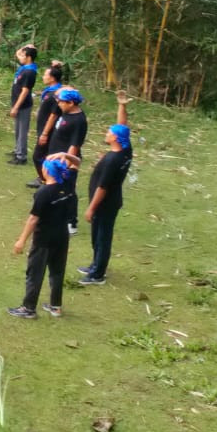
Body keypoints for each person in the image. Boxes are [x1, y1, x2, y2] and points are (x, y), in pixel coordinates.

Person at [10, 153, 77, 319]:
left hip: (43, 240)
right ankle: (56, 306)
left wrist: (21, 240)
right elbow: (77, 162)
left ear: (47, 171)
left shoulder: (43, 193)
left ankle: (28, 308)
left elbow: (33, 219)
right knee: (57, 272)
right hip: (62, 236)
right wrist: (66, 155)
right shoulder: (68, 184)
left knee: (35, 274)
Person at [80, 91, 133, 286]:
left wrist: (91, 208)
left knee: (102, 237)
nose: (107, 133)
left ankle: (97, 274)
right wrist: (122, 106)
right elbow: (123, 127)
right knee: (99, 235)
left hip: (104, 203)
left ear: (115, 139)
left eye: (109, 133)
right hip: (112, 200)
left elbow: (102, 187)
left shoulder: (112, 160)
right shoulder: (125, 151)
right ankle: (96, 265)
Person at [48, 86, 89, 233]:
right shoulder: (66, 111)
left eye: (62, 101)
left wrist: (65, 165)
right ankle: (57, 216)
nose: (59, 103)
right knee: (56, 189)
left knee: (68, 190)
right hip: (54, 157)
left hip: (66, 162)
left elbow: (74, 145)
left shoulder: (79, 121)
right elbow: (57, 93)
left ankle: (71, 223)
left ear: (71, 103)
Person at [28, 64, 65, 188]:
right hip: (43, 127)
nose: (43, 77)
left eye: (45, 75)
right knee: (45, 155)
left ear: (52, 78)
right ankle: (46, 178)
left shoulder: (56, 94)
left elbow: (54, 115)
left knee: (38, 156)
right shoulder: (49, 91)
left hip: (49, 130)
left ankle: (46, 179)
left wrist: (44, 133)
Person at [7, 45, 38, 165]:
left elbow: (25, 91)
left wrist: (16, 107)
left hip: (23, 105)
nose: (20, 57)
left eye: (24, 55)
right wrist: (25, 46)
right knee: (17, 130)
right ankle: (17, 150)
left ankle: (21, 156)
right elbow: (17, 53)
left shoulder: (30, 72)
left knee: (22, 131)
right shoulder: (25, 67)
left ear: (29, 57)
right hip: (17, 102)